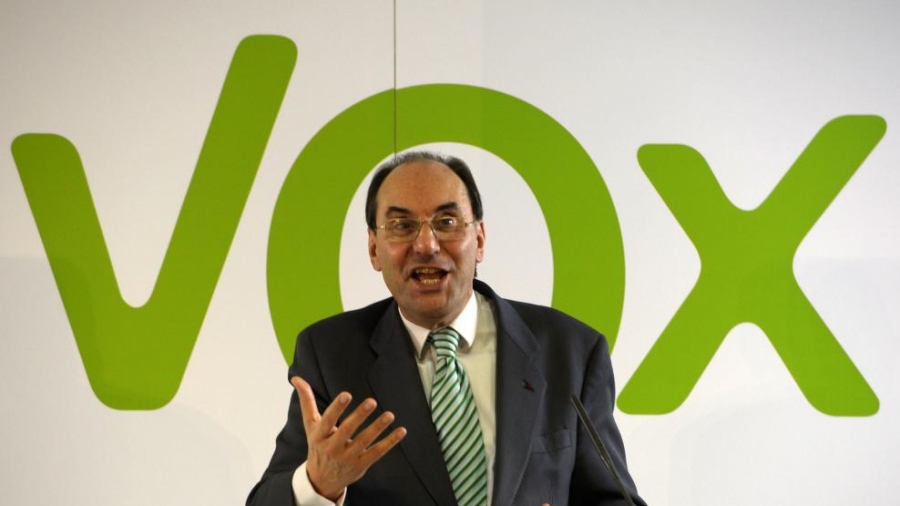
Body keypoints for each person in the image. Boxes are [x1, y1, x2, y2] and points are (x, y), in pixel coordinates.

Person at [247, 151, 646, 506]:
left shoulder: (570, 351)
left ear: (480, 239)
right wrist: (318, 483)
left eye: (447, 221)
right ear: (373, 249)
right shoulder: (330, 354)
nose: (427, 244)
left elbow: (615, 499)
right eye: (401, 225)